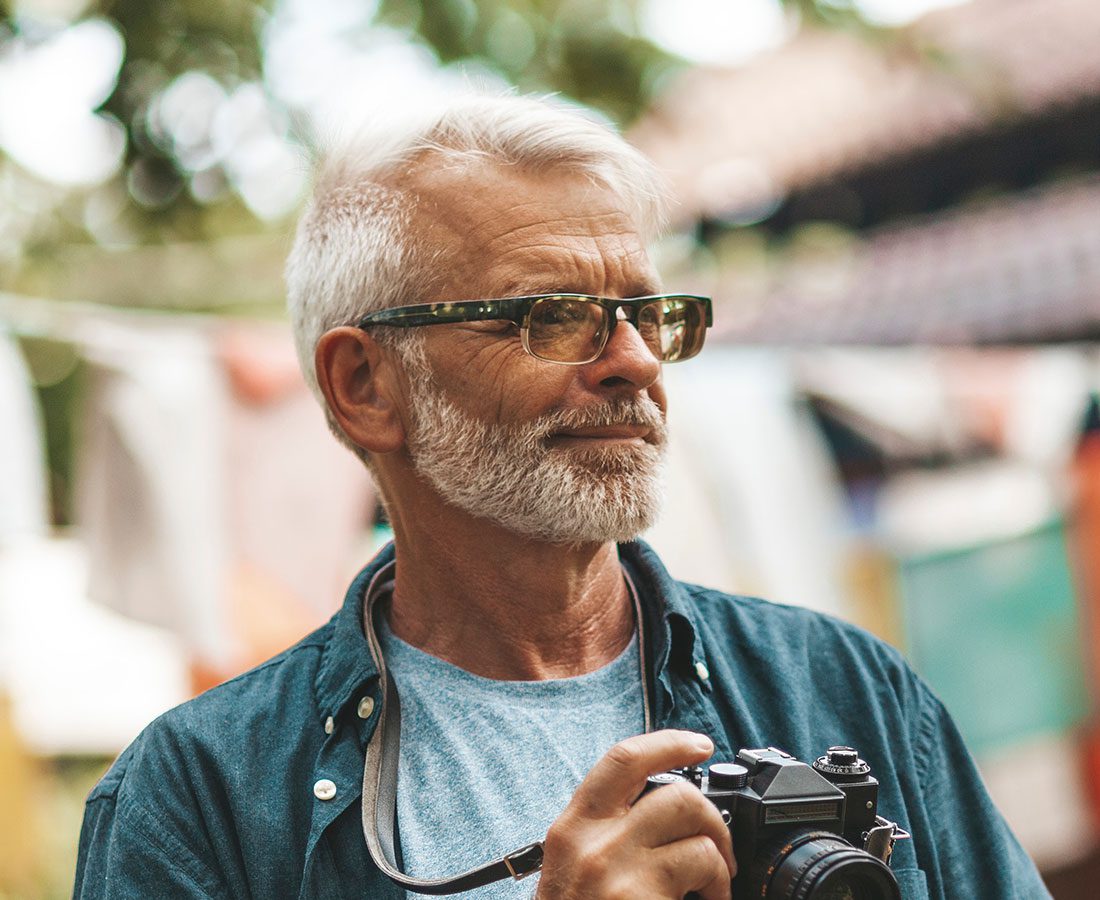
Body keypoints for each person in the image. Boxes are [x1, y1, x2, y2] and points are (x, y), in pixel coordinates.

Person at [74, 92, 1049, 900]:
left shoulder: (845, 690)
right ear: (364, 387)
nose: (633, 362)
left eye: (646, 314)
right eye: (553, 317)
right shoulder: (196, 798)